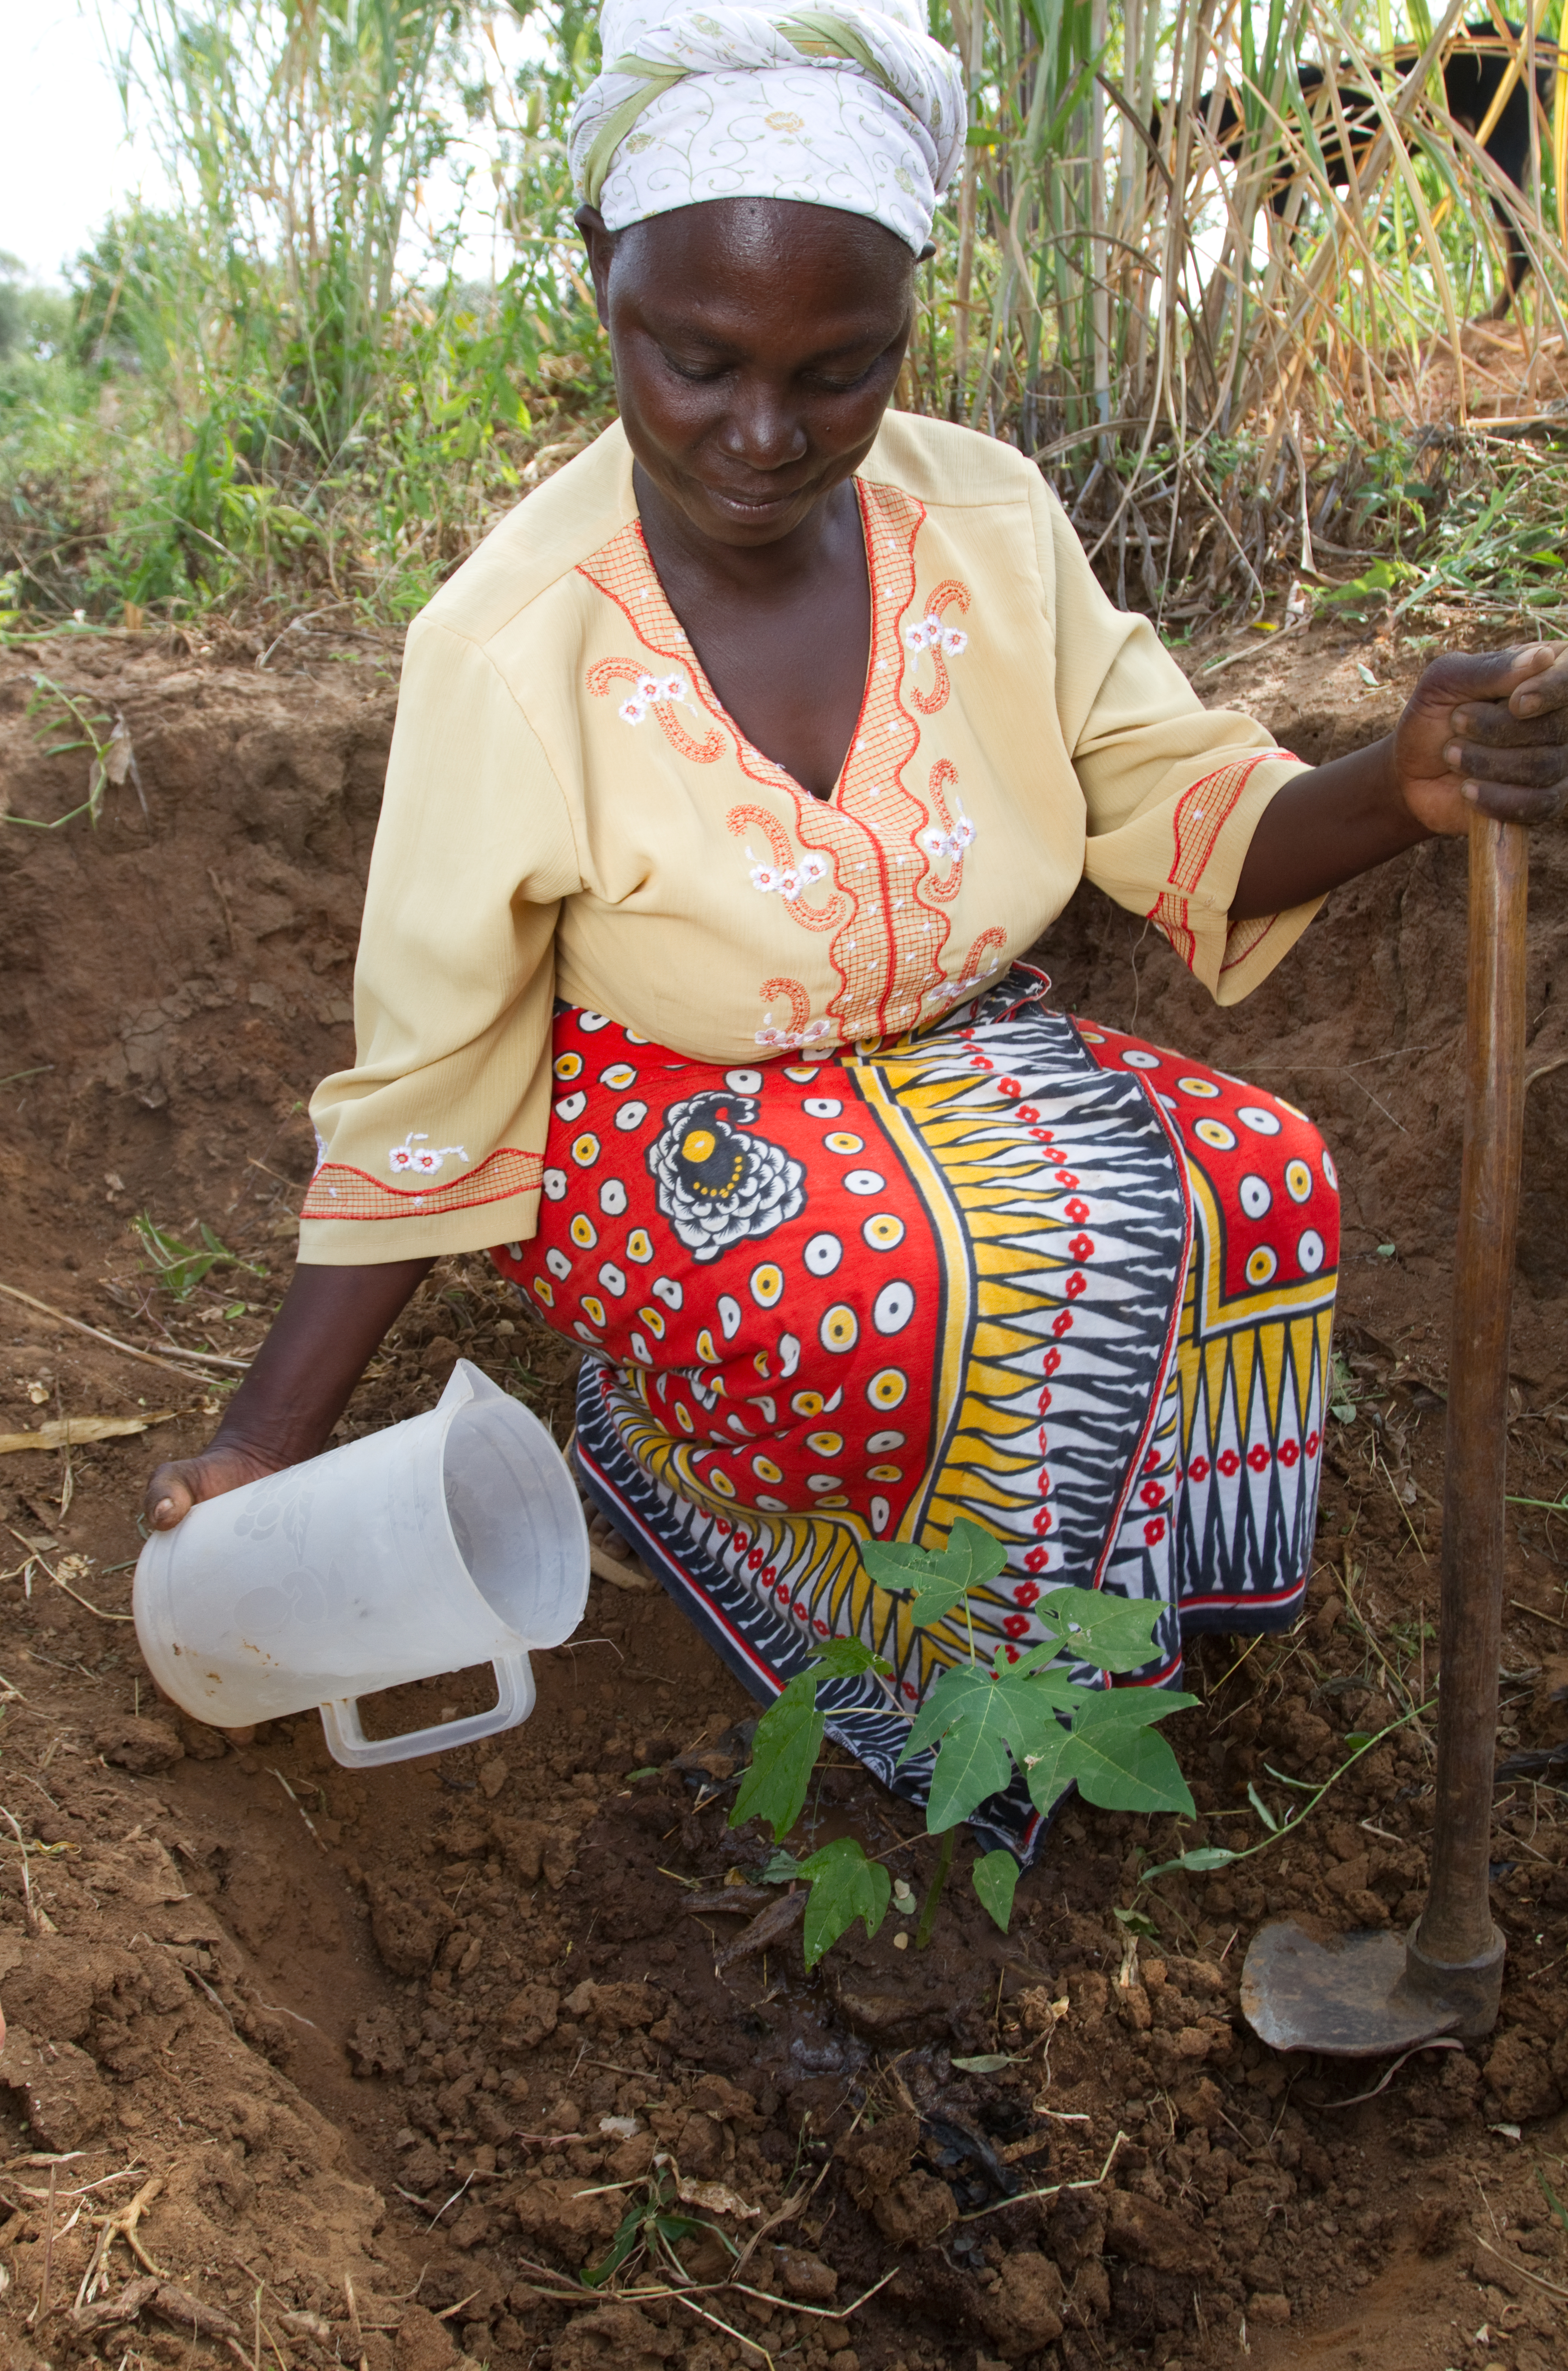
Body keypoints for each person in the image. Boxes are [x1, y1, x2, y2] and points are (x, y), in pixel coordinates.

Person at [145, 0, 1568, 1853]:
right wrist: (263, 1440)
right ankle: (734, 1515)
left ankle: (1120, 1645)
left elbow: (1168, 790)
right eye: (699, 359)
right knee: (902, 1301)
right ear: (603, 285)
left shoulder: (986, 517)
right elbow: (432, 1075)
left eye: (838, 373)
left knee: (1264, 1181)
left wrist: (1405, 785)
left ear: (904, 330)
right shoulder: (509, 643)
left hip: (980, 1061)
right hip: (665, 1118)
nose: (762, 430)